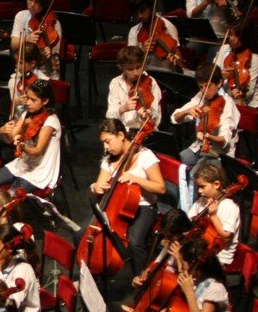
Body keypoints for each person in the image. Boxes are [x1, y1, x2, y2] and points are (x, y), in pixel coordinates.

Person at [92, 119, 165, 275]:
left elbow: (160, 187)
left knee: (135, 242)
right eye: (103, 143)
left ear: (120, 135)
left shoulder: (145, 156)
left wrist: (137, 179)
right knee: (84, 233)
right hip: (115, 204)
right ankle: (92, 271)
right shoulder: (109, 158)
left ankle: (139, 278)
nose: (105, 147)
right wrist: (96, 187)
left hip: (144, 207)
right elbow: (98, 184)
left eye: (108, 142)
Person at [171, 64, 239, 212]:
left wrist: (209, 136)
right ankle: (178, 206)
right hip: (199, 146)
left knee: (195, 174)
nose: (204, 91)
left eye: (207, 87)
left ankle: (187, 212)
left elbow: (225, 140)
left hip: (217, 153)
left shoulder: (227, 105)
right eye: (201, 87)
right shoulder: (200, 97)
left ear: (219, 83)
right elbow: (175, 117)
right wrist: (187, 111)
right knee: (176, 162)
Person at [0, 80, 62, 193]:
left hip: (39, 171)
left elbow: (37, 150)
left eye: (33, 100)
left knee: (10, 195)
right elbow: (9, 139)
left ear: (45, 101)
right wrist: (4, 131)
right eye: (28, 98)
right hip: (22, 164)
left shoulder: (51, 121)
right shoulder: (26, 114)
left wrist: (23, 146)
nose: (28, 103)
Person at [107, 46, 163, 132]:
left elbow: (156, 117)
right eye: (130, 69)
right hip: (122, 130)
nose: (136, 73)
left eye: (138, 67)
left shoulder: (151, 83)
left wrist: (147, 116)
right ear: (122, 68)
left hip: (145, 130)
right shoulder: (115, 83)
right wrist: (123, 109)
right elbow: (110, 116)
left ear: (143, 64)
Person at [214, 20, 258, 108]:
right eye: (230, 34)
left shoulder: (254, 58)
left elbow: (250, 90)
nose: (231, 38)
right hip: (224, 97)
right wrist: (220, 76)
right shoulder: (224, 49)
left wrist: (238, 94)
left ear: (245, 37)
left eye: (236, 35)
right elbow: (212, 73)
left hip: (248, 103)